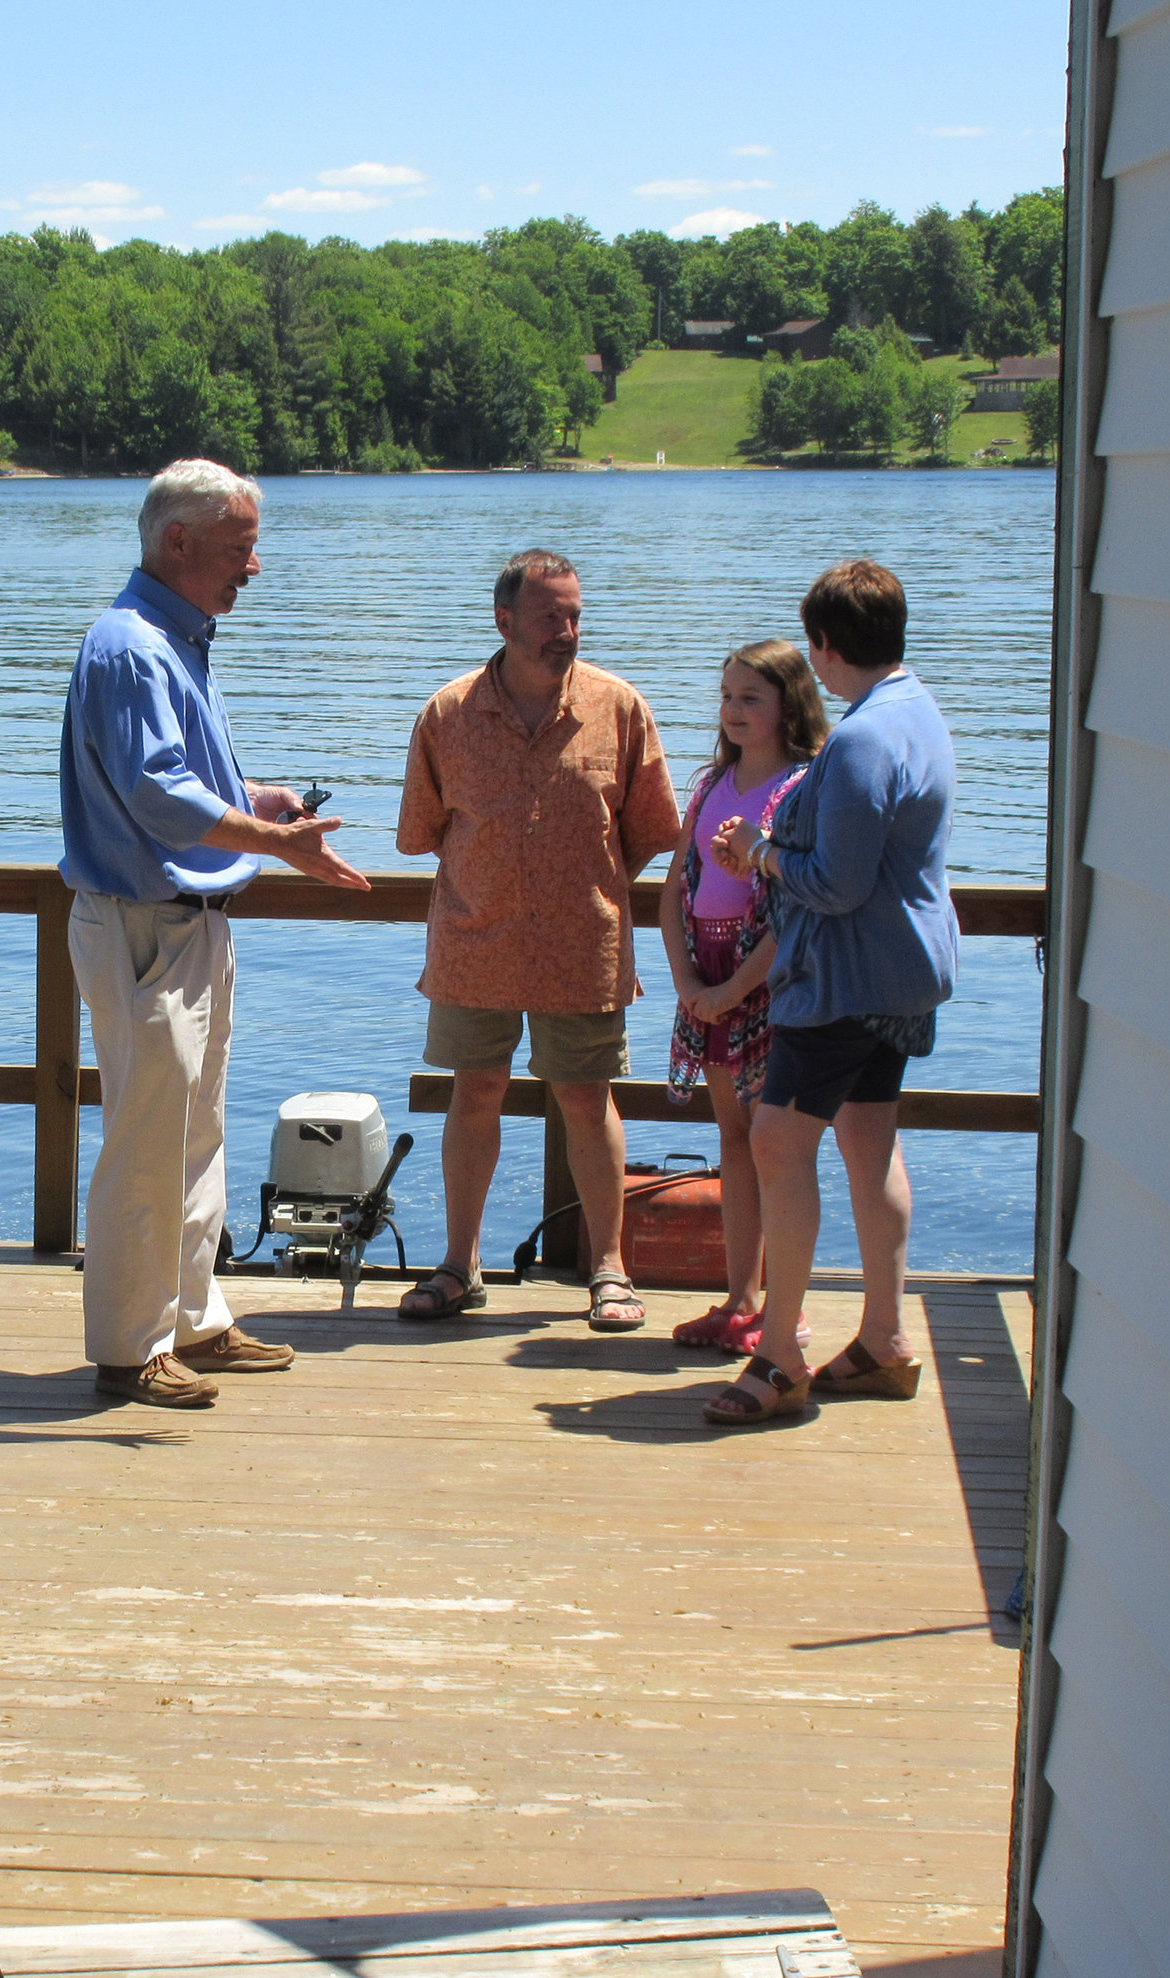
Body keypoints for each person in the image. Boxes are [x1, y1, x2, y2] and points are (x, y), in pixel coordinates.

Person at [61, 458, 370, 1410]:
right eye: (240, 548)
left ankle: (194, 1321)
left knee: (193, 1137)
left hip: (183, 926)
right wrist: (275, 839)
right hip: (149, 926)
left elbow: (178, 784)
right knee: (149, 1143)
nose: (255, 567)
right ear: (178, 542)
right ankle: (128, 1347)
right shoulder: (135, 648)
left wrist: (254, 802)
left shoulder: (170, 638)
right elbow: (157, 797)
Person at [395, 549, 681, 1331]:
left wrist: (580, 881)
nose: (567, 629)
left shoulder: (618, 707)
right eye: (550, 615)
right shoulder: (447, 714)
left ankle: (610, 1272)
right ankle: (460, 1266)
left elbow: (651, 829)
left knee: (588, 1099)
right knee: (473, 1091)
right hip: (473, 941)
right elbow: (421, 833)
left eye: (575, 614)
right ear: (505, 619)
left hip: (581, 944)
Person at [701, 558, 959, 1426]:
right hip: (907, 971)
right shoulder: (916, 710)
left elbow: (838, 884)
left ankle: (777, 1357)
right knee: (869, 1139)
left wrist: (764, 856)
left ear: (824, 644)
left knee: (776, 1140)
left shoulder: (859, 739)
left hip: (847, 978)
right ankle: (883, 1340)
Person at [659, 641, 826, 1355]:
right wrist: (689, 982)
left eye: (750, 698)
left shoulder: (801, 788)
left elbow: (794, 914)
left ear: (788, 704)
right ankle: (738, 1299)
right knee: (732, 1139)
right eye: (727, 696)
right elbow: (673, 892)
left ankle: (783, 1313)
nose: (732, 710)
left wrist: (732, 987)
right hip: (708, 971)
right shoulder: (709, 784)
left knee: (775, 1146)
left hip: (766, 980)